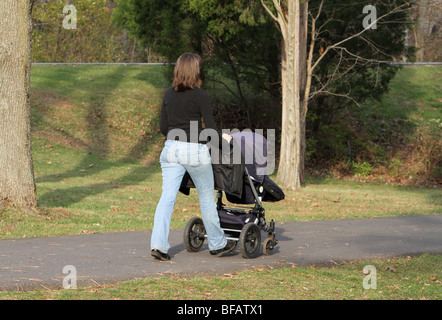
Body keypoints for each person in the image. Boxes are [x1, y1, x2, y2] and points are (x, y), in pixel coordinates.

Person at [150, 52, 235, 261]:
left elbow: (163, 127)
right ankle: (217, 245)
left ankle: (159, 245)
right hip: (194, 150)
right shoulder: (200, 96)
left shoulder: (168, 94)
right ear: (195, 71)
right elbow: (210, 131)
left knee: (166, 199)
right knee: (206, 198)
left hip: (170, 149)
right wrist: (226, 142)